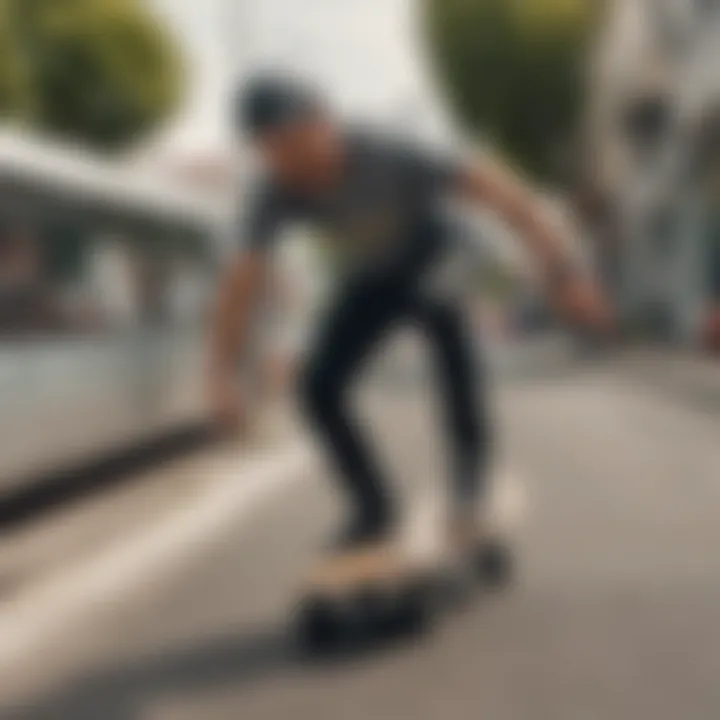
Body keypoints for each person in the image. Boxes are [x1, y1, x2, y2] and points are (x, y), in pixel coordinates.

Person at [208, 74, 611, 551]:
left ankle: (470, 484)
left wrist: (565, 273)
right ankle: (373, 507)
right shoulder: (272, 191)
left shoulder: (395, 149)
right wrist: (223, 375)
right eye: (271, 152)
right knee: (318, 388)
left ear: (324, 122)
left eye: (295, 144)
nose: (290, 164)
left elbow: (507, 196)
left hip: (441, 252)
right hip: (371, 275)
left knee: (446, 329)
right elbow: (242, 283)